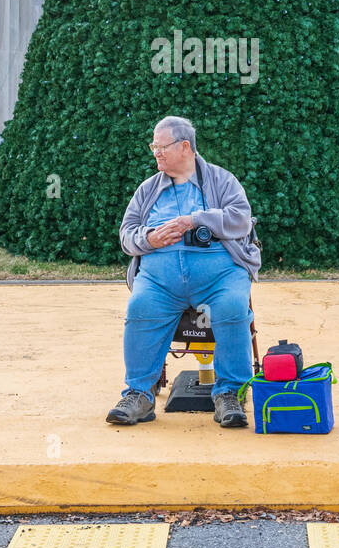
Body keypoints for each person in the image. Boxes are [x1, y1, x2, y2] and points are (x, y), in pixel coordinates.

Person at [107, 115, 261, 430]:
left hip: (219, 276)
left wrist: (196, 220)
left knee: (233, 307)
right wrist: (148, 239)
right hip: (160, 281)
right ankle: (139, 394)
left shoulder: (222, 180)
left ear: (185, 147)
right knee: (140, 307)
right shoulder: (148, 189)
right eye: (154, 146)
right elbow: (126, 235)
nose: (156, 153)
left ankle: (230, 393)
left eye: (162, 147)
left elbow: (241, 220)